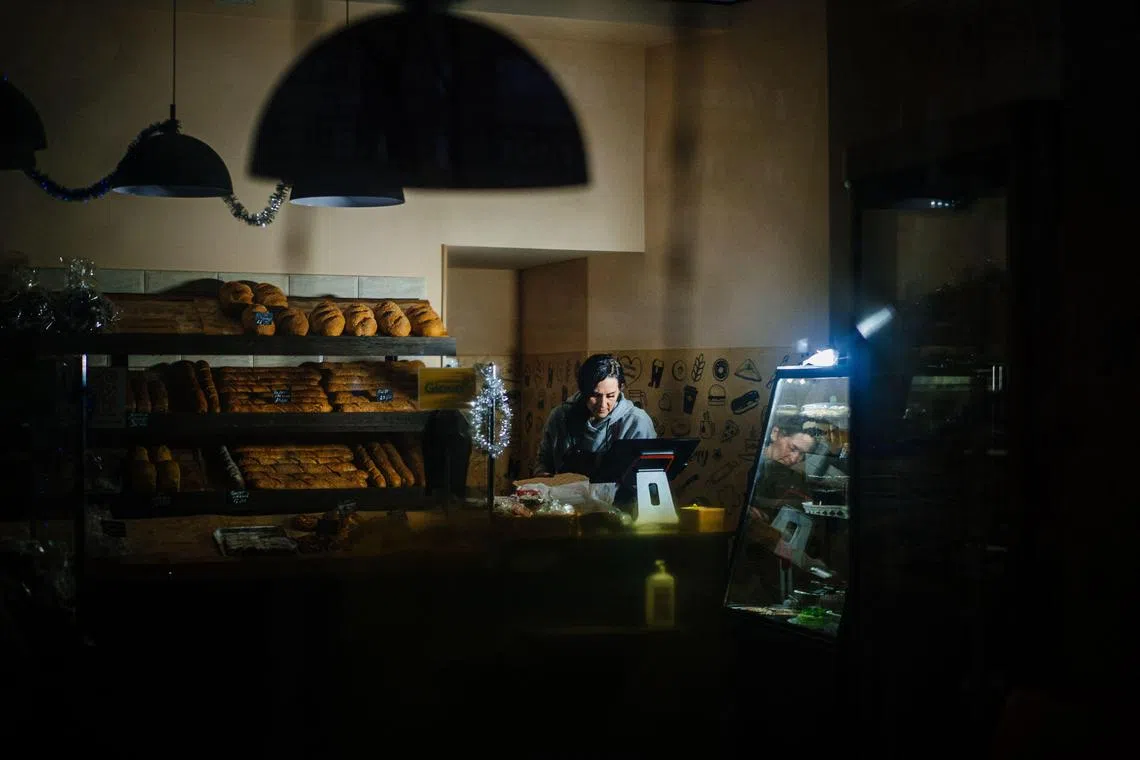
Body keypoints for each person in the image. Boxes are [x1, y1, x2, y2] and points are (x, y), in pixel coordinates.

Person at [535, 353, 656, 477]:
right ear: (583, 390)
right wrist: (545, 482)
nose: (602, 404)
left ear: (621, 388)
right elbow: (544, 462)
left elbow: (647, 478)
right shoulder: (560, 417)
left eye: (610, 396)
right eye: (595, 396)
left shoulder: (637, 423)